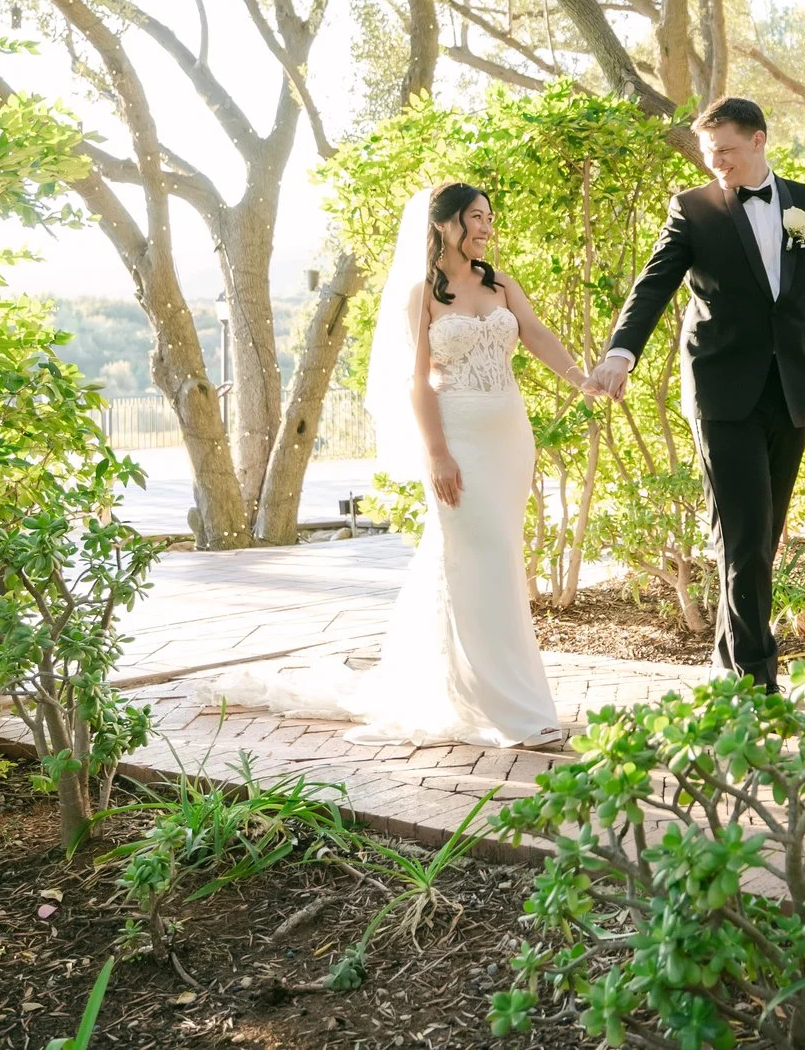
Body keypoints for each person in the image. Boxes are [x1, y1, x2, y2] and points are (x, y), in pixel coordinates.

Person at [197, 181, 585, 747]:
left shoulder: (501, 284)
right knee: (476, 559)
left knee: (499, 557)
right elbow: (417, 382)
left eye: (489, 218)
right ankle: (517, 711)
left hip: (509, 437)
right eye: (476, 217)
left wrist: (583, 379)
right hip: (458, 435)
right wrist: (437, 454)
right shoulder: (420, 295)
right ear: (444, 224)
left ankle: (486, 692)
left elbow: (537, 335)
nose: (486, 227)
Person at [586, 96, 805, 688]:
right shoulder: (693, 210)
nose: (719, 164)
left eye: (728, 152)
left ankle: (726, 666)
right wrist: (620, 353)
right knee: (743, 536)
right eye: (711, 155)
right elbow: (653, 284)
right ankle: (758, 680)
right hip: (720, 393)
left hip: (788, 392)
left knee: (760, 538)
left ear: (759, 140)